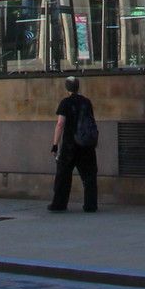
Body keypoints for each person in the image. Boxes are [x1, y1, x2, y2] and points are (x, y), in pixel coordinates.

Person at [48, 75, 97, 213]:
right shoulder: (86, 102)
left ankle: (59, 204)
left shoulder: (65, 103)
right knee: (89, 176)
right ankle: (90, 205)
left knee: (63, 175)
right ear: (78, 86)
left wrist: (55, 144)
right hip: (86, 145)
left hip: (70, 144)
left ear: (66, 88)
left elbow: (60, 124)